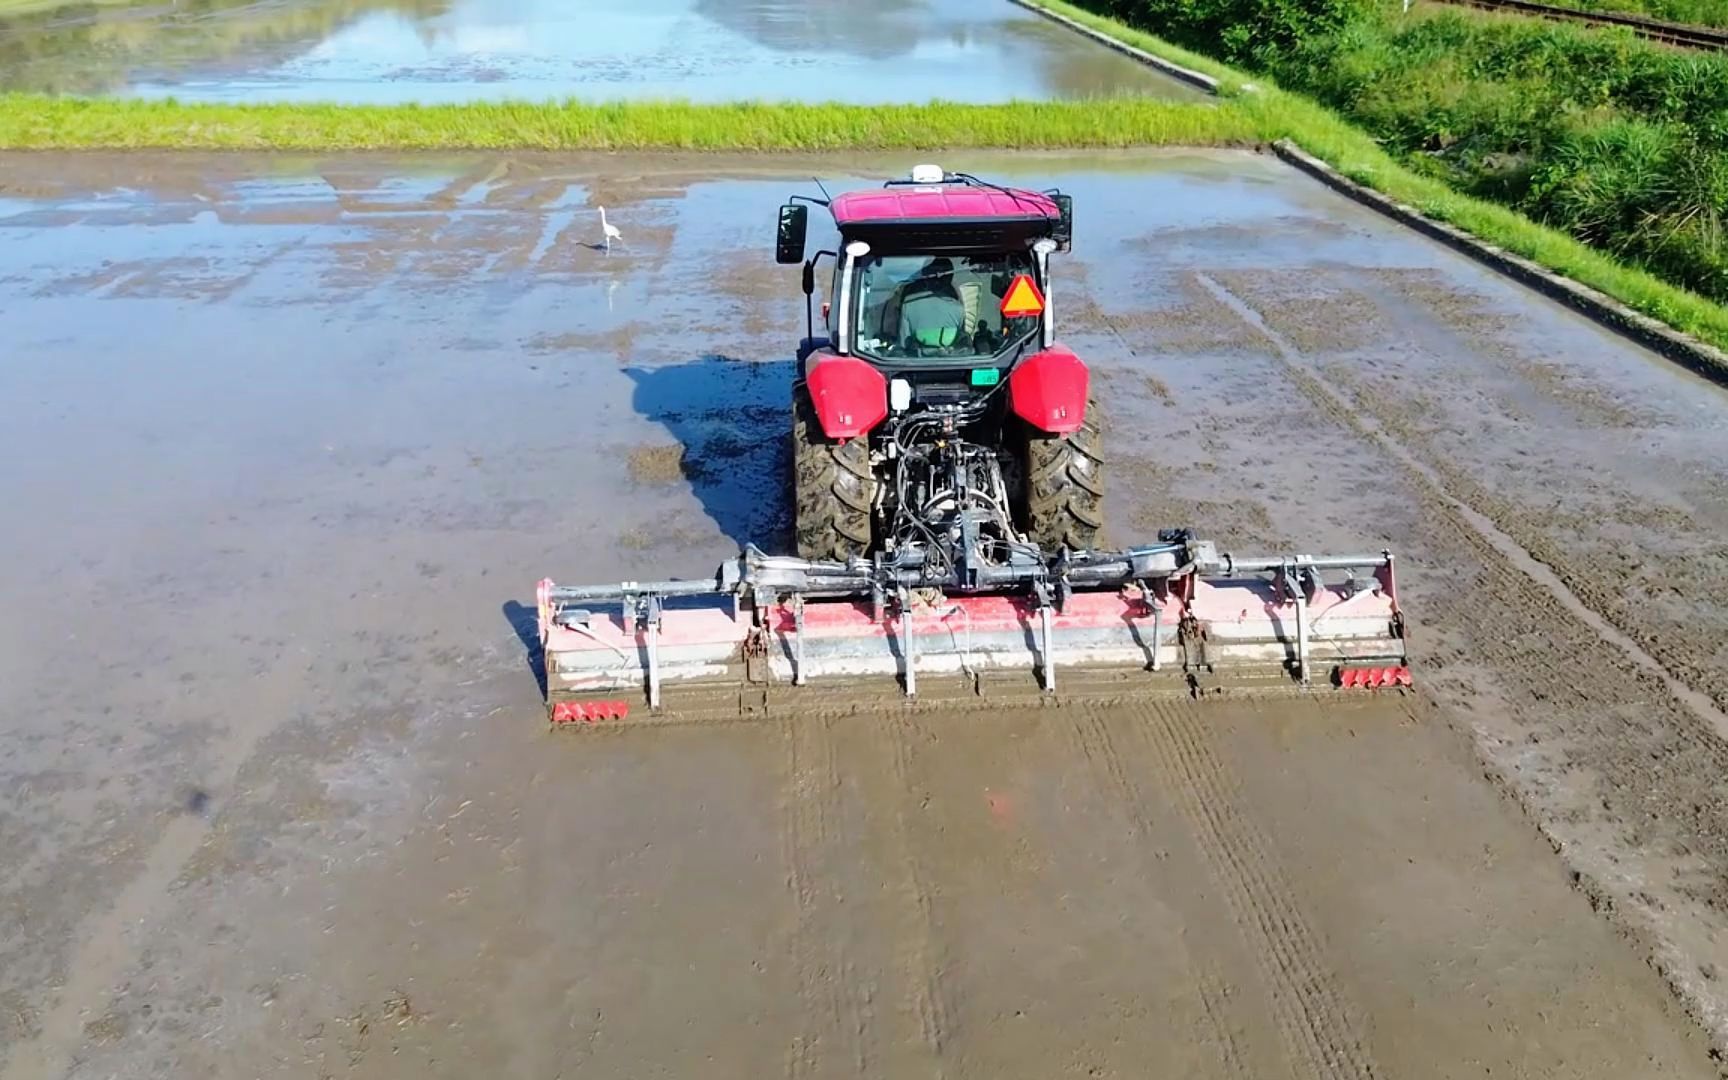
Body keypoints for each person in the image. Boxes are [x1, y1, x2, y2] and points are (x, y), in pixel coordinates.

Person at [896, 257, 966, 354]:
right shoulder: (959, 309)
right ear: (950, 279)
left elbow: (903, 344)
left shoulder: (908, 305)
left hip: (916, 363)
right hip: (950, 362)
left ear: (925, 277)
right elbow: (962, 344)